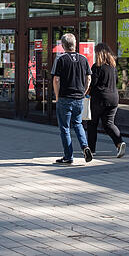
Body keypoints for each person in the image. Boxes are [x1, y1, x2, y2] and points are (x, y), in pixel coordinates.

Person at [51, 33, 93, 164]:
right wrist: (83, 92)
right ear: (75, 44)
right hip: (79, 98)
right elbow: (89, 78)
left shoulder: (61, 59)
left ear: (63, 46)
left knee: (65, 128)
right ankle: (85, 146)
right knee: (78, 124)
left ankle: (68, 156)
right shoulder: (83, 59)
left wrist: (57, 96)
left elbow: (56, 79)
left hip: (64, 98)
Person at [87, 43, 126, 158]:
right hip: (113, 98)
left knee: (92, 124)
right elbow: (116, 81)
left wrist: (86, 92)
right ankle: (119, 143)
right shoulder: (113, 67)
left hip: (99, 99)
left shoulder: (97, 67)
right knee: (109, 123)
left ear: (98, 53)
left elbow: (93, 83)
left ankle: (92, 150)